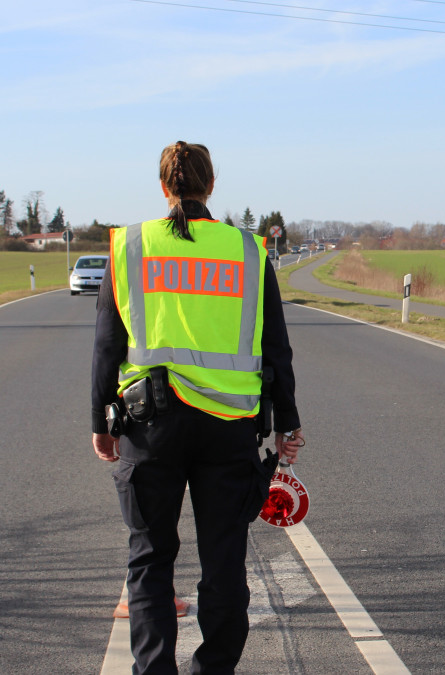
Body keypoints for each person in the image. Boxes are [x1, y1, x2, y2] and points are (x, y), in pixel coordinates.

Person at [90, 140, 304, 674]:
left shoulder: (130, 247)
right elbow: (275, 346)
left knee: (150, 561)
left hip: (149, 427)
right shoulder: (248, 252)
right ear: (211, 186)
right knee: (224, 565)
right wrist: (288, 424)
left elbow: (106, 345)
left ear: (164, 188)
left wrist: (100, 422)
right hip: (228, 429)